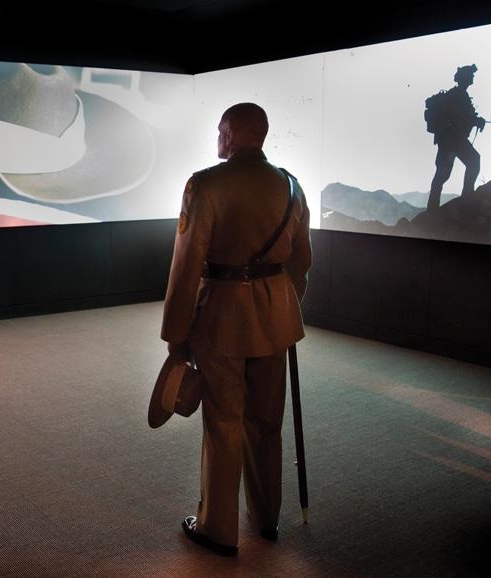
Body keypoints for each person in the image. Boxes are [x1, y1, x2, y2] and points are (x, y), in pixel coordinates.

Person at [161, 102, 312, 556]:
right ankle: (266, 520)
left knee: (223, 422)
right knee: (267, 423)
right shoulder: (290, 185)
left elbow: (186, 267)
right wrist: (283, 308)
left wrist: (176, 334)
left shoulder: (205, 185)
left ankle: (217, 529)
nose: (218, 139)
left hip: (222, 321)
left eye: (220, 131)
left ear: (230, 134)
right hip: (276, 320)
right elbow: (301, 262)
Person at [426, 64, 486, 211]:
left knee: (443, 174)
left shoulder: (459, 94)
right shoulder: (457, 94)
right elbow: (458, 117)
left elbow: (463, 117)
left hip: (450, 140)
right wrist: (475, 121)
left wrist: (474, 120)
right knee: (468, 163)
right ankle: (465, 198)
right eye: (470, 75)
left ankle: (433, 209)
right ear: (464, 78)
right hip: (451, 140)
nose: (472, 77)